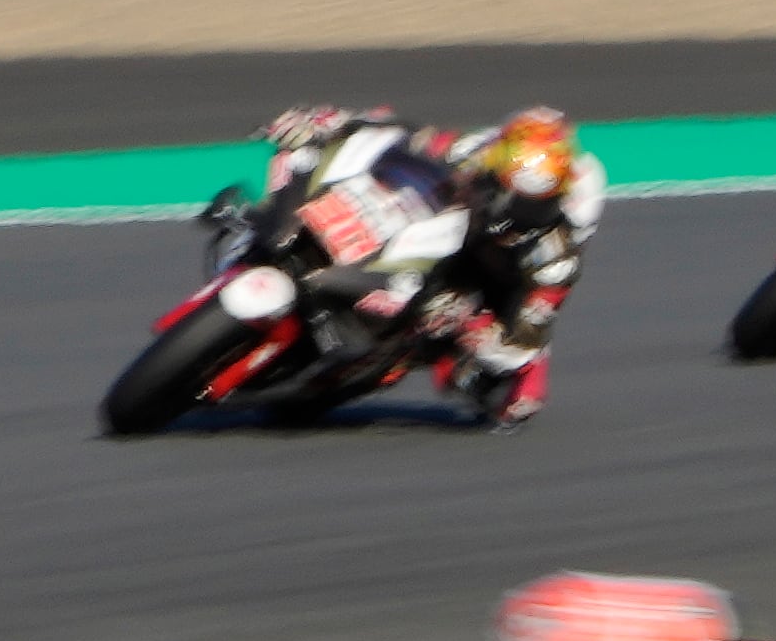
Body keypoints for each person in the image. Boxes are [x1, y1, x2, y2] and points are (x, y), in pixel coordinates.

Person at [251, 102, 610, 420]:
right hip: (456, 234)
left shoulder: (555, 259)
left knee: (506, 398)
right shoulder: (478, 154)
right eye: (503, 188)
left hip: (498, 282)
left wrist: (474, 332)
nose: (511, 208)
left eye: (532, 204)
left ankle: (380, 357)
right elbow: (406, 132)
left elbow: (526, 341)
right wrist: (332, 121)